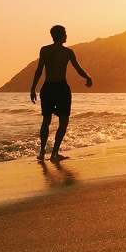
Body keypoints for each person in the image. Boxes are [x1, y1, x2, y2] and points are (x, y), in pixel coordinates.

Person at [30, 25, 92, 161]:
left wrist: (33, 88)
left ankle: (42, 152)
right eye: (65, 34)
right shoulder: (68, 52)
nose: (66, 36)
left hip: (47, 88)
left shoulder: (45, 50)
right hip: (61, 88)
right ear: (62, 35)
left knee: (46, 120)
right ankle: (54, 153)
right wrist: (88, 77)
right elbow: (78, 68)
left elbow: (39, 70)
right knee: (63, 121)